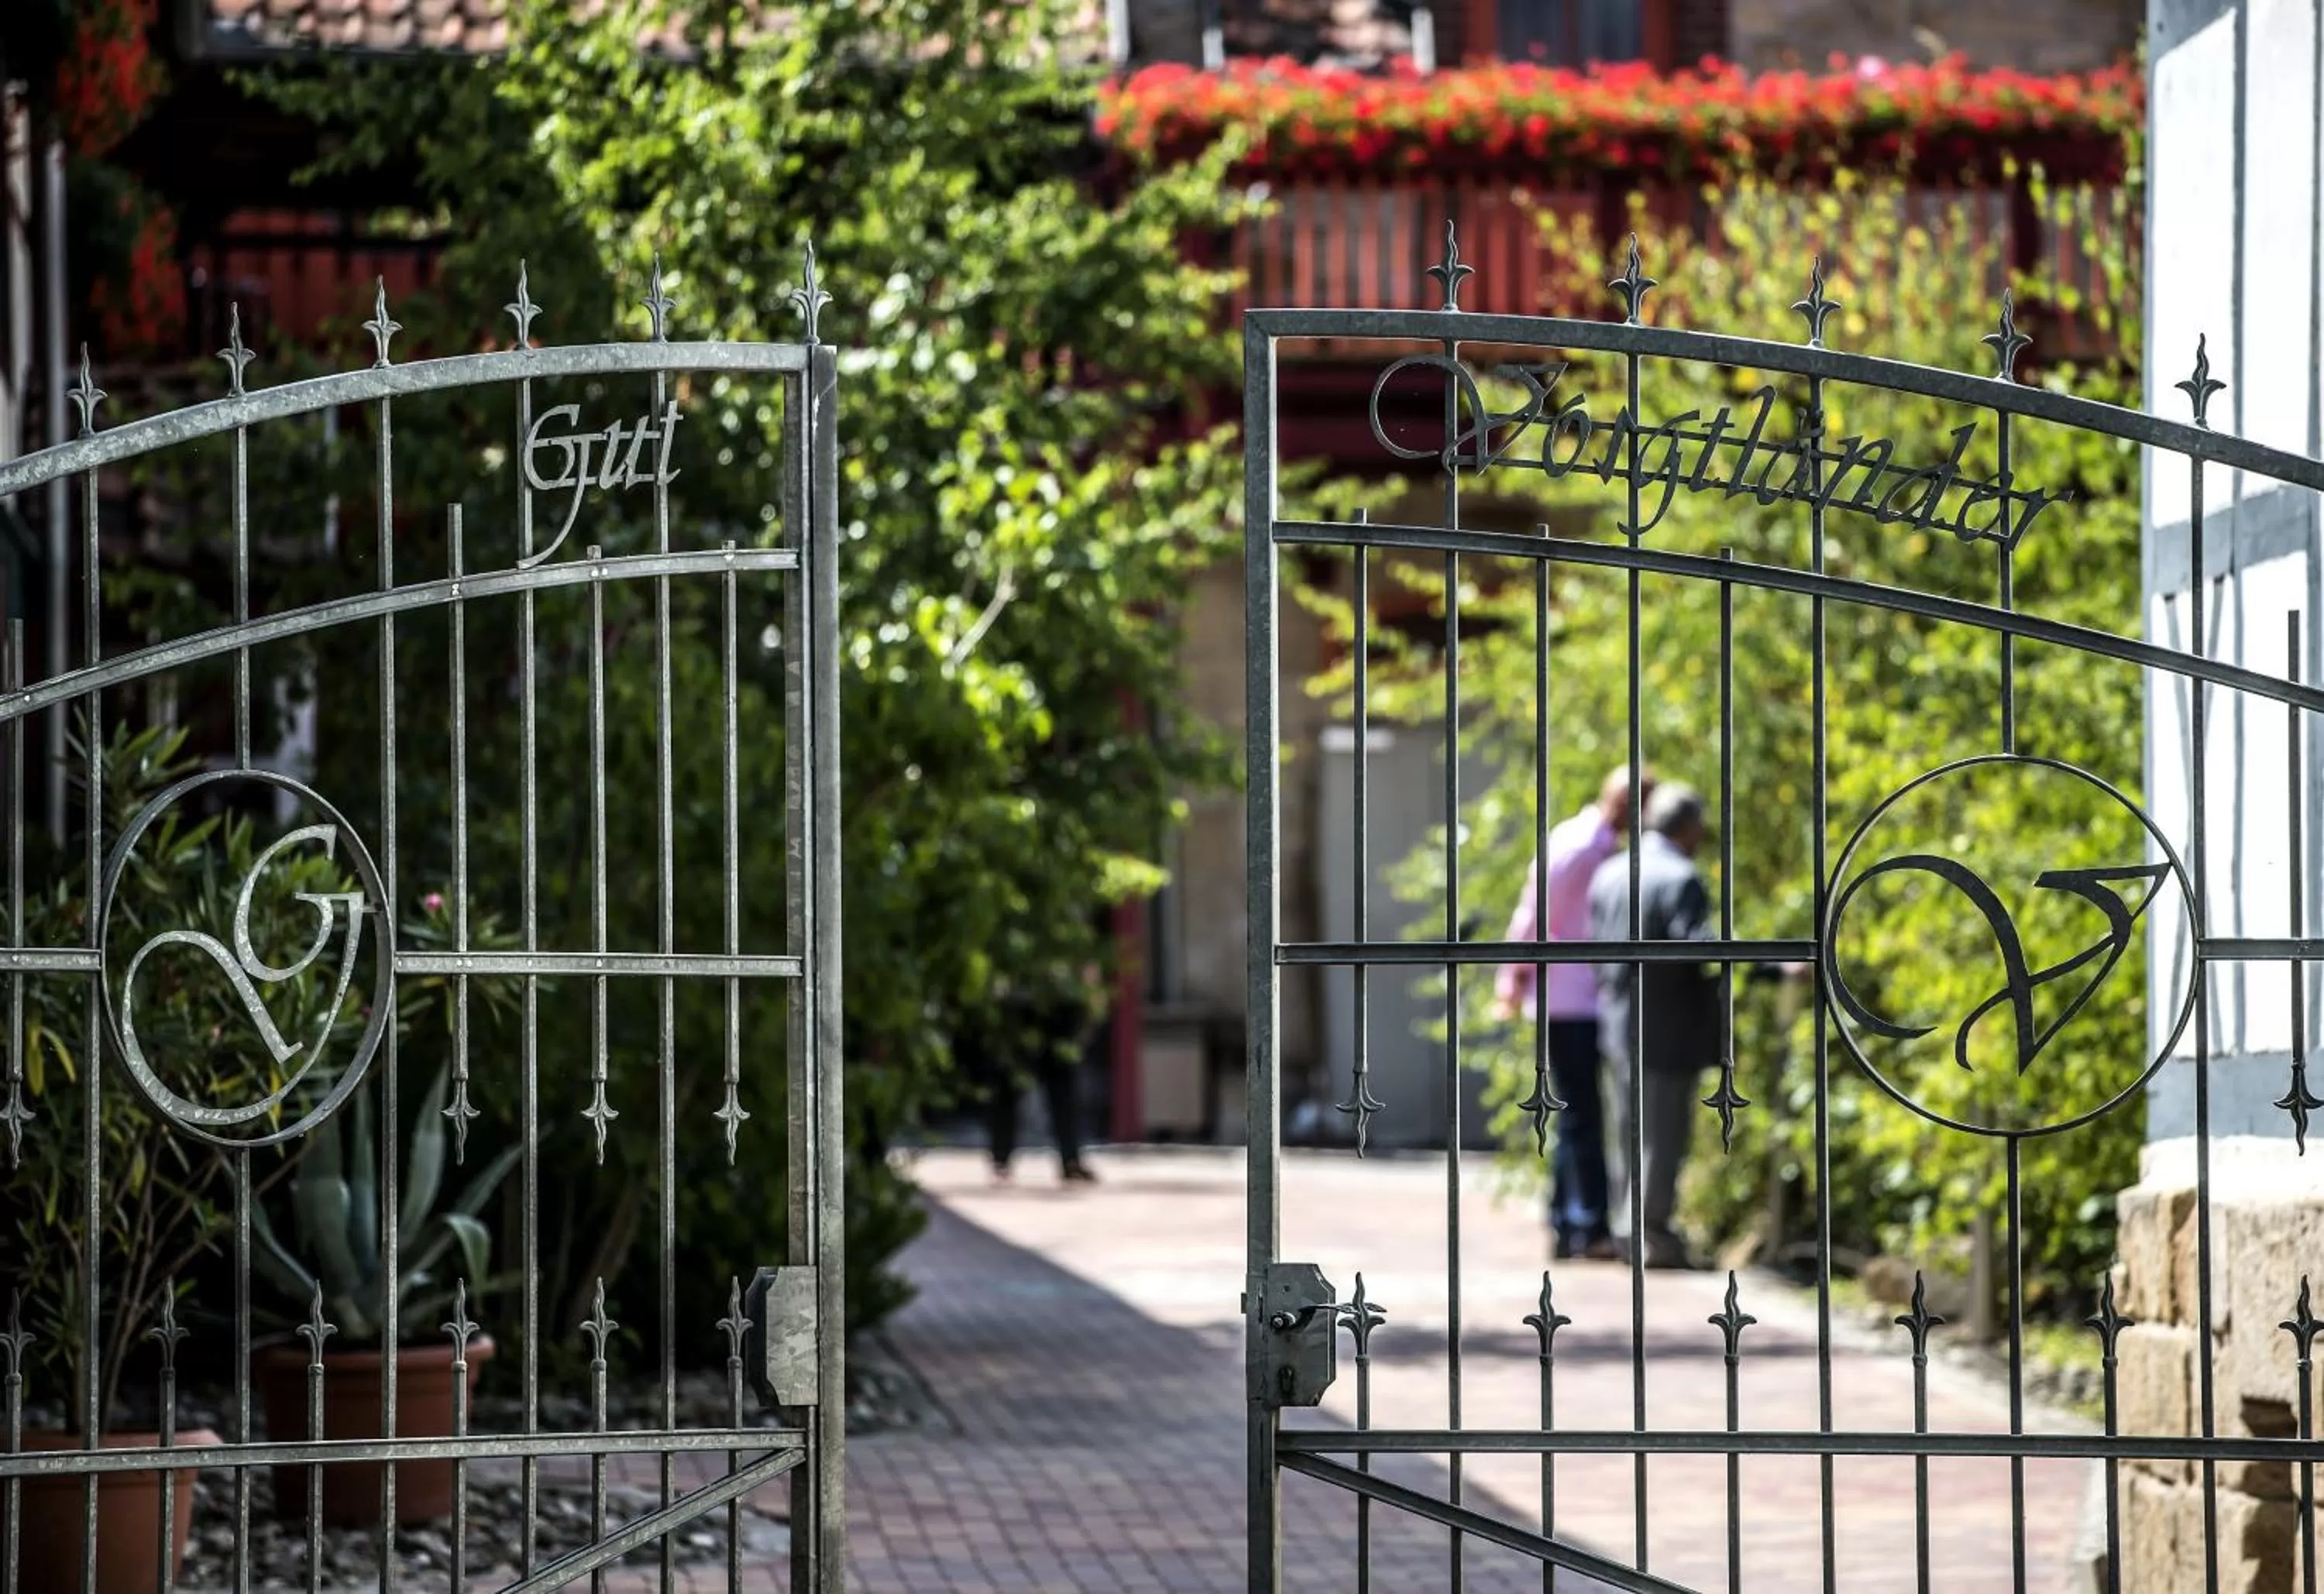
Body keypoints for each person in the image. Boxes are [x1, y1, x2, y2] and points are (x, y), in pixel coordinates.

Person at [1493, 764, 1654, 1262]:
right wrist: (1512, 978)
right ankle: (1586, 1226)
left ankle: (1569, 1224)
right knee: (1582, 1114)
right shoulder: (1584, 848)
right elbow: (1536, 914)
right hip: (1571, 997)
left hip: (1572, 995)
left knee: (1574, 1113)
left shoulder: (1586, 841)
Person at [1587, 782, 1720, 1270]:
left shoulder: (1610, 873)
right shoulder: (1681, 878)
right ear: (1689, 827)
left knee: (1624, 1131)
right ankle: (1653, 1234)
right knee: (1662, 1135)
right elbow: (1698, 947)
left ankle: (1627, 1230)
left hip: (1616, 1021)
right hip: (1668, 1025)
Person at [962, 967, 1101, 1186]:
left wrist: (1090, 997)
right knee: (1008, 1084)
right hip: (1017, 1001)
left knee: (1063, 1086)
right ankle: (1002, 1159)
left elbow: (1087, 959)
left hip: (1059, 999)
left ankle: (1070, 1158)